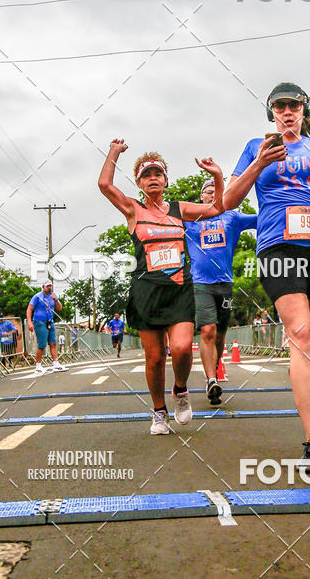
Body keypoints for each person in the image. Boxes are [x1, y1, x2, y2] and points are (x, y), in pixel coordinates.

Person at [223, 81, 310, 466]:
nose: (288, 112)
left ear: (303, 110)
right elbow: (228, 200)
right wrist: (260, 163)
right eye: (280, 106)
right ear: (272, 113)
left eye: (294, 106)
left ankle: (300, 372)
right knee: (302, 334)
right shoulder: (257, 147)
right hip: (278, 247)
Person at [98, 140, 224, 435]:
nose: (152, 178)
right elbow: (105, 184)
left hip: (179, 288)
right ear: (139, 182)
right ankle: (158, 411)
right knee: (154, 357)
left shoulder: (180, 210)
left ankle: (180, 390)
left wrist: (217, 176)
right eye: (146, 175)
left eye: (158, 173)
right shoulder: (132, 209)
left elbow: (218, 207)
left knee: (180, 348)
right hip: (146, 291)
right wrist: (114, 152)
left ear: (166, 180)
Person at [185, 178, 257, 405]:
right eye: (207, 191)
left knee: (220, 334)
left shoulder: (232, 217)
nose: (212, 194)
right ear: (201, 197)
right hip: (200, 284)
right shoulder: (189, 220)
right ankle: (211, 380)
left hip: (225, 285)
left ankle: (214, 371)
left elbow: (261, 219)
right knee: (207, 330)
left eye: (216, 191)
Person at [26, 281, 69, 375]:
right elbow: (29, 309)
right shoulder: (38, 296)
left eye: (50, 286)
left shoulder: (53, 296)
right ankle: (38, 366)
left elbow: (60, 308)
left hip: (50, 321)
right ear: (43, 287)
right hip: (39, 322)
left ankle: (56, 363)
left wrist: (56, 300)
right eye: (47, 286)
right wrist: (29, 322)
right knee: (42, 344)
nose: (49, 287)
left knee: (53, 343)